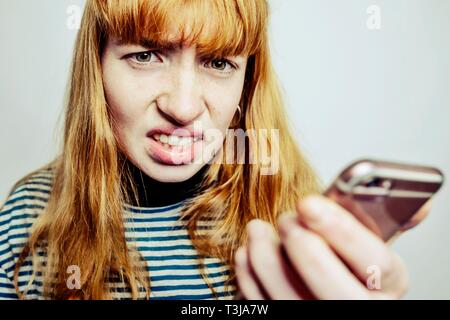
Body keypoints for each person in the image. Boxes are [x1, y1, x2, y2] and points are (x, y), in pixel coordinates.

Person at [0, 0, 430, 300]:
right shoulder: (26, 218)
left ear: (248, 82)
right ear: (97, 68)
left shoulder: (292, 213)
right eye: (146, 55)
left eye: (220, 63)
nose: (184, 108)